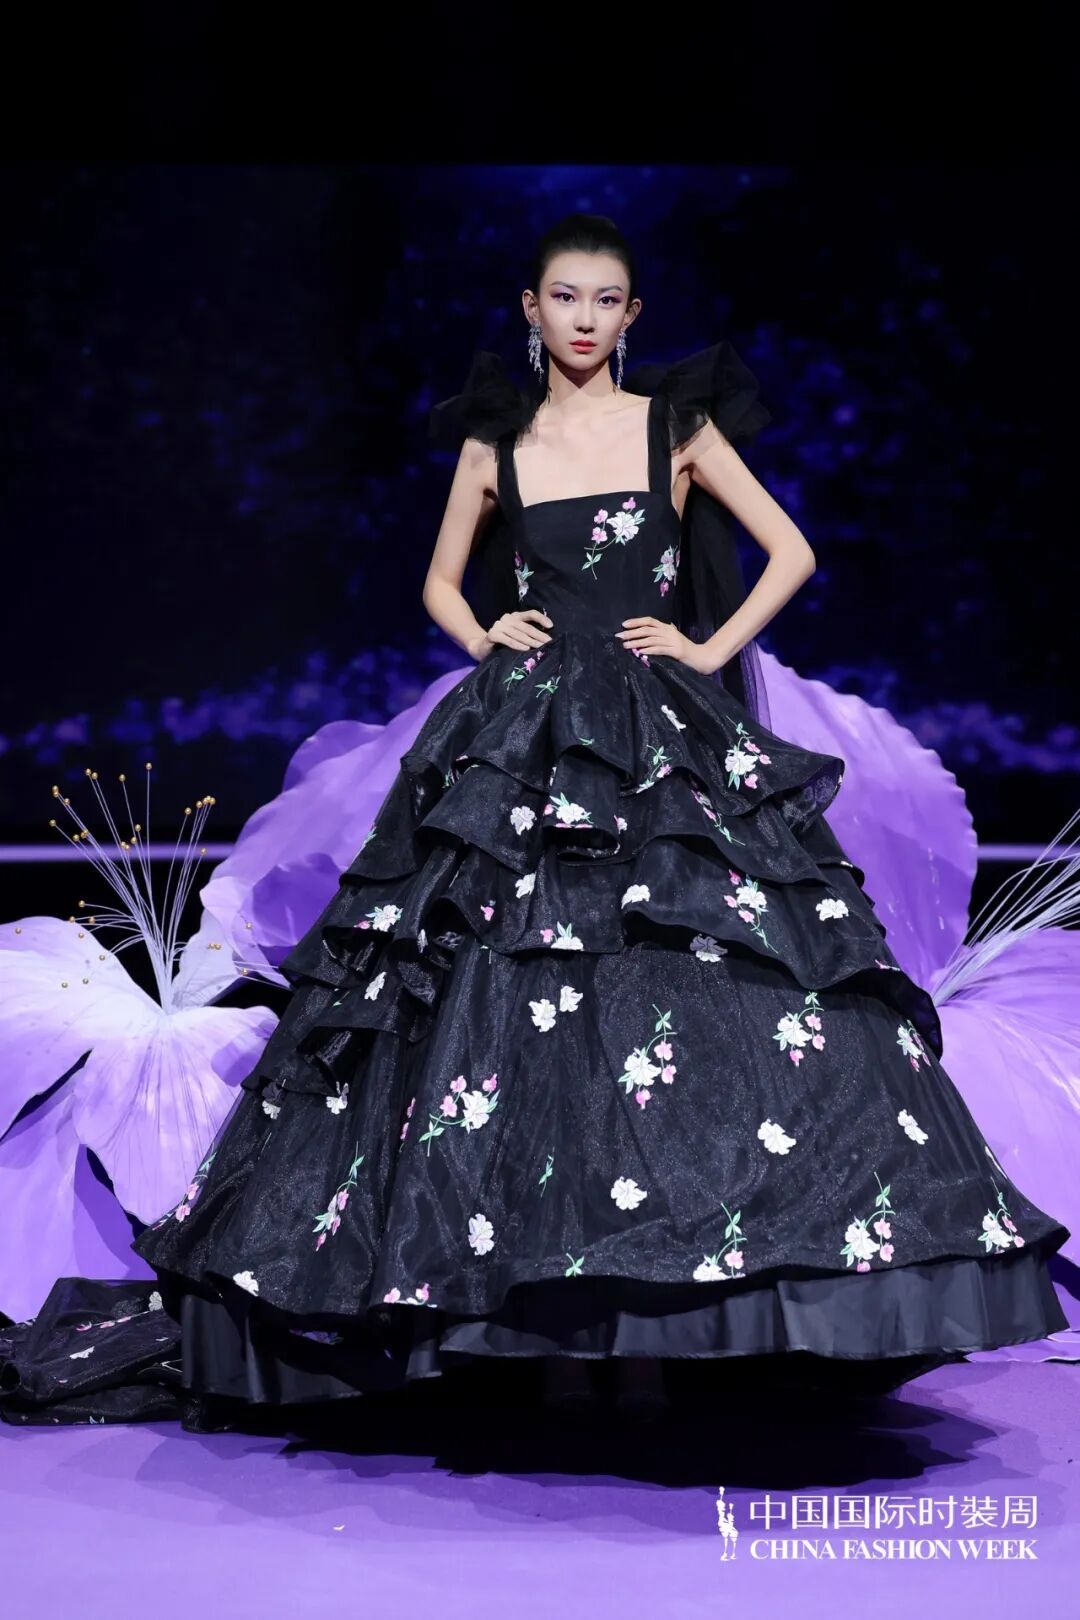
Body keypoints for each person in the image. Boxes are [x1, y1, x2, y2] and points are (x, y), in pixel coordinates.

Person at [0, 212, 1069, 1432]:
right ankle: (534, 1341)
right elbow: (438, 579)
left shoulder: (676, 428)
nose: (584, 319)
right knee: (495, 996)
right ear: (530, 307)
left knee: (672, 985)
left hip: (657, 734)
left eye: (606, 300)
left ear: (632, 315)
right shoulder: (494, 443)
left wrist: (706, 647)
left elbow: (791, 549)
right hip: (521, 737)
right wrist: (483, 635)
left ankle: (669, 1329)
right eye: (565, 297)